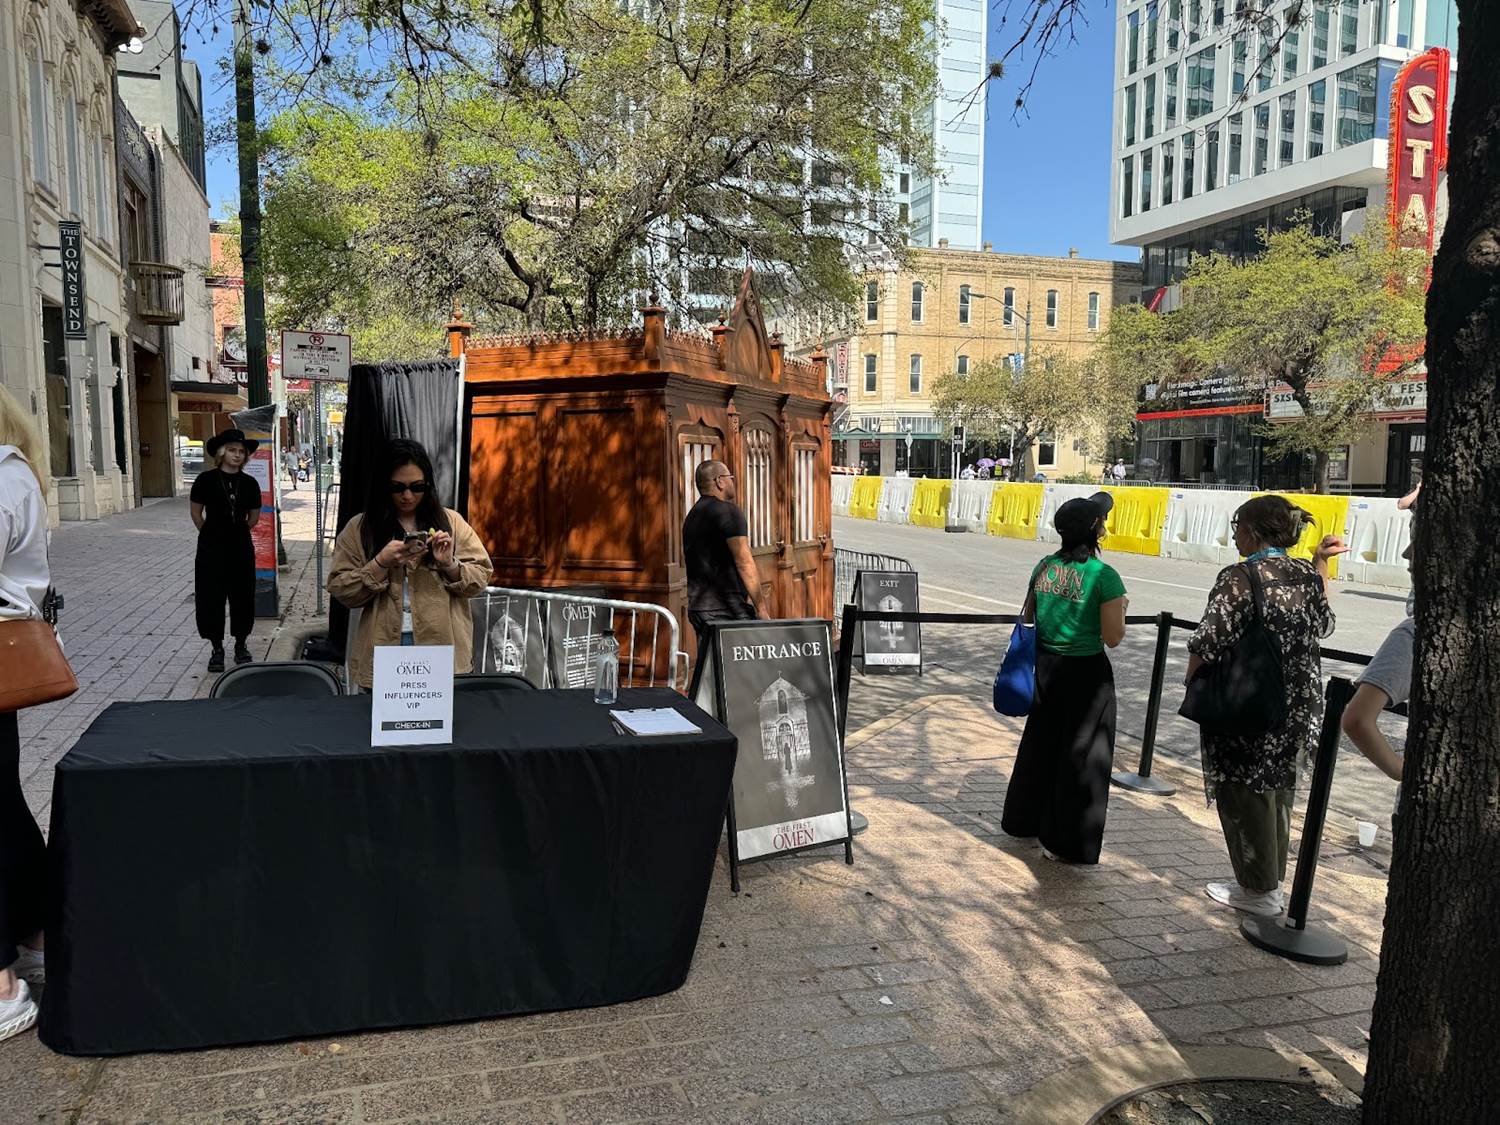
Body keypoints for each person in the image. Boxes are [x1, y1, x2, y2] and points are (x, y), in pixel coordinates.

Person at [1186, 495, 1347, 917]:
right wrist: (1320, 563)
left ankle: (1259, 890)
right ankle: (1269, 882)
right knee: (1278, 790)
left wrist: (1191, 680)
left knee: (1244, 790)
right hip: (1298, 703)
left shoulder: (1239, 577)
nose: (1233, 536)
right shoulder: (1305, 575)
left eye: (1237, 527)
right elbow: (1323, 624)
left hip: (1251, 700)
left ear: (1253, 531)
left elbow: (1208, 640)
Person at [1001, 492, 1128, 865]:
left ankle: (1024, 820)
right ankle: (1066, 842)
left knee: (1040, 746)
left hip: (1045, 668)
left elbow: (1030, 616)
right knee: (1083, 757)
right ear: (1097, 530)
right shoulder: (1104, 576)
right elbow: (1113, 637)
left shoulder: (1044, 566)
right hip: (1086, 674)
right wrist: (1122, 607)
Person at [327, 439, 491, 690]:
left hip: (442, 647)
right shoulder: (361, 528)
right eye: (397, 487)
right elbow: (341, 588)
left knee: (438, 715)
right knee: (386, 714)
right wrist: (380, 563)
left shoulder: (451, 522)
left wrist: (449, 565)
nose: (407, 496)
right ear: (383, 485)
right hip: (383, 647)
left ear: (428, 485)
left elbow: (480, 577)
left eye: (417, 487)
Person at [0, 387, 52, 1042]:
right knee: (4, 806)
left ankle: (5, 982)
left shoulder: (6, 476)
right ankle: (33, 936)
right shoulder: (14, 475)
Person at [191, 428, 262, 672]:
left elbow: (254, 517)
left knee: (243, 596)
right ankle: (216, 648)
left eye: (241, 451)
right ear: (221, 453)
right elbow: (196, 513)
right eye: (232, 450)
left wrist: (236, 532)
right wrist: (211, 533)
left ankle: (241, 644)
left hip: (240, 547)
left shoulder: (250, 483)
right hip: (211, 549)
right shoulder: (205, 480)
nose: (237, 455)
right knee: (211, 597)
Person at [683, 459, 766, 653]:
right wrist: (761, 609)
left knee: (712, 666)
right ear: (719, 481)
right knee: (742, 665)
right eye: (730, 477)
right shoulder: (728, 512)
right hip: (727, 609)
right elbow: (744, 562)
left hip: (699, 608)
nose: (733, 481)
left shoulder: (692, 515)